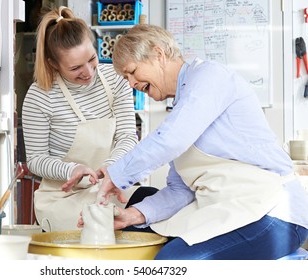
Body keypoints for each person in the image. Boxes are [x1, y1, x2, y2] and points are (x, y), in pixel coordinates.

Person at [89, 24, 308, 259]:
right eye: (126, 78)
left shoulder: (210, 77)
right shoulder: (183, 109)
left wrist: (118, 175)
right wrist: (133, 215)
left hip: (275, 213)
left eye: (132, 72)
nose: (131, 83)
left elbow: (171, 139)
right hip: (234, 211)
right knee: (145, 243)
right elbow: (180, 191)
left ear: (158, 55)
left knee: (171, 264)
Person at [21, 7, 157, 232]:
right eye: (75, 67)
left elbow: (127, 136)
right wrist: (71, 170)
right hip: (63, 200)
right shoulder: (40, 96)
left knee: (154, 207)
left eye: (91, 59)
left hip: (111, 188)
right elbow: (35, 160)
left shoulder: (115, 79)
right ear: (53, 64)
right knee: (104, 226)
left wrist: (113, 168)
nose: (88, 72)